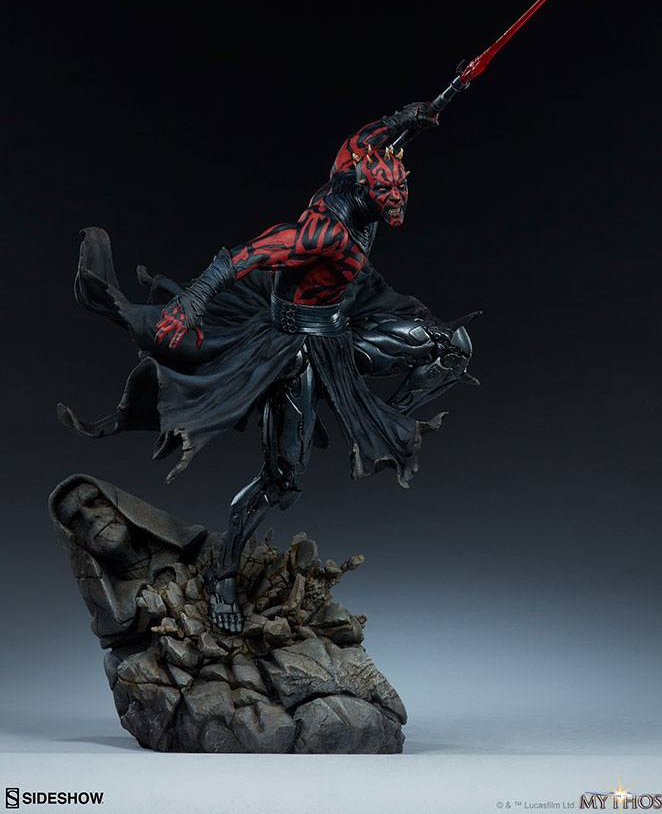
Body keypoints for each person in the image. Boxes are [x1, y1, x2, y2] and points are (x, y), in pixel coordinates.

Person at [58, 100, 479, 633]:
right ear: (362, 189)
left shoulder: (353, 168)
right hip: (293, 348)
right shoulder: (323, 232)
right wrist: (192, 301)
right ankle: (224, 575)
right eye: (387, 194)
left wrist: (405, 119)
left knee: (451, 347)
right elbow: (244, 256)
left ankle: (372, 423)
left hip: (343, 320)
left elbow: (367, 140)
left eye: (401, 190)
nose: (397, 201)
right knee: (282, 481)